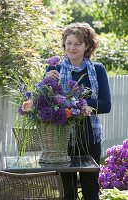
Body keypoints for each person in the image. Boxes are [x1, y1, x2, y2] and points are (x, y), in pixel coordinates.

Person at [45, 22, 111, 200]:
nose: (72, 47)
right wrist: (45, 84)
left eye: (78, 43)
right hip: (62, 137)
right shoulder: (54, 69)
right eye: (69, 43)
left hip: (89, 138)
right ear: (64, 44)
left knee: (90, 191)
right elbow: (45, 105)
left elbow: (105, 104)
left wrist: (74, 104)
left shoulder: (98, 70)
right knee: (68, 192)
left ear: (87, 46)